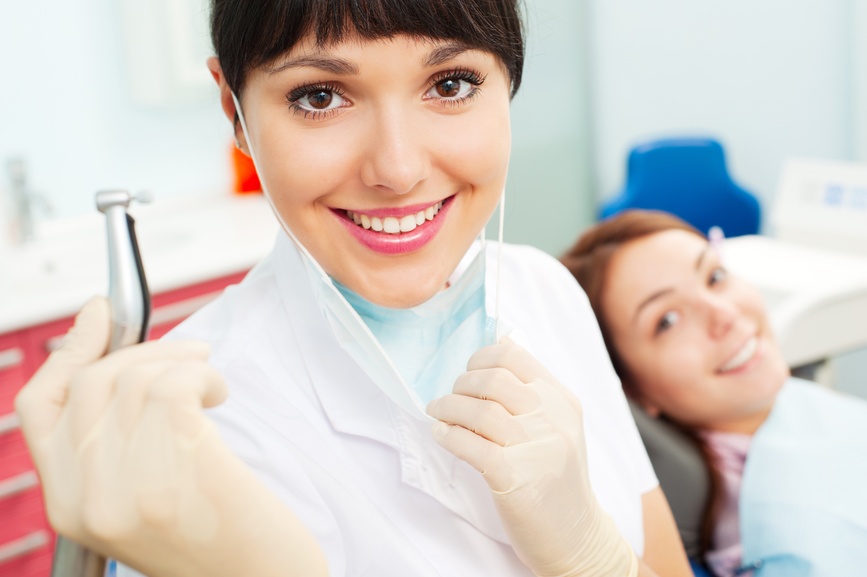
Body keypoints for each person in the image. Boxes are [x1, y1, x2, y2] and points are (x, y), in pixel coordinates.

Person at [16, 2, 694, 576]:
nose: (397, 169)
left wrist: (590, 555)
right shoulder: (196, 432)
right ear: (233, 110)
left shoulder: (546, 291)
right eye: (319, 96)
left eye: (451, 83)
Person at [560, 210, 867, 577]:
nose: (724, 314)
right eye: (667, 320)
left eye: (714, 276)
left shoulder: (787, 405)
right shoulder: (788, 543)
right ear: (632, 391)